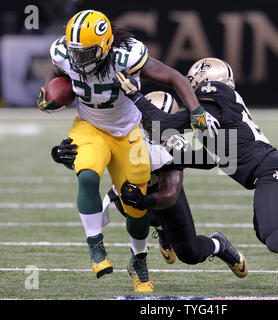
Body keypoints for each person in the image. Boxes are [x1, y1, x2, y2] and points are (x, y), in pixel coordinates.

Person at [112, 58, 278, 300]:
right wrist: (165, 157)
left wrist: (136, 97)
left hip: (272, 171)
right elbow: (212, 159)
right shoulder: (220, 111)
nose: (189, 88)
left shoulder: (214, 91)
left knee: (275, 236)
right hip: (273, 171)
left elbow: (163, 122)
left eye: (191, 83)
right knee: (267, 234)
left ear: (203, 80)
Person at [37, 10, 219, 293]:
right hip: (90, 126)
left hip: (129, 131)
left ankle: (139, 259)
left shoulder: (127, 56)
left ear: (106, 45)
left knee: (135, 203)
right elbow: (60, 70)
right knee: (87, 176)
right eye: (75, 53)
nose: (78, 59)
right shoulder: (64, 52)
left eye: (86, 53)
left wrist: (195, 111)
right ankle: (96, 248)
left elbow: (172, 76)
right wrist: (49, 90)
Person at [51, 91, 248, 291]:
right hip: (133, 190)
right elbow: (91, 161)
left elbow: (170, 195)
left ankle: (218, 245)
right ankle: (154, 239)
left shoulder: (174, 147)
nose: (147, 128)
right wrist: (65, 156)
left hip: (161, 197)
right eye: (144, 121)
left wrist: (145, 200)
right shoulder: (124, 132)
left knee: (189, 253)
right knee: (123, 199)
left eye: (154, 123)